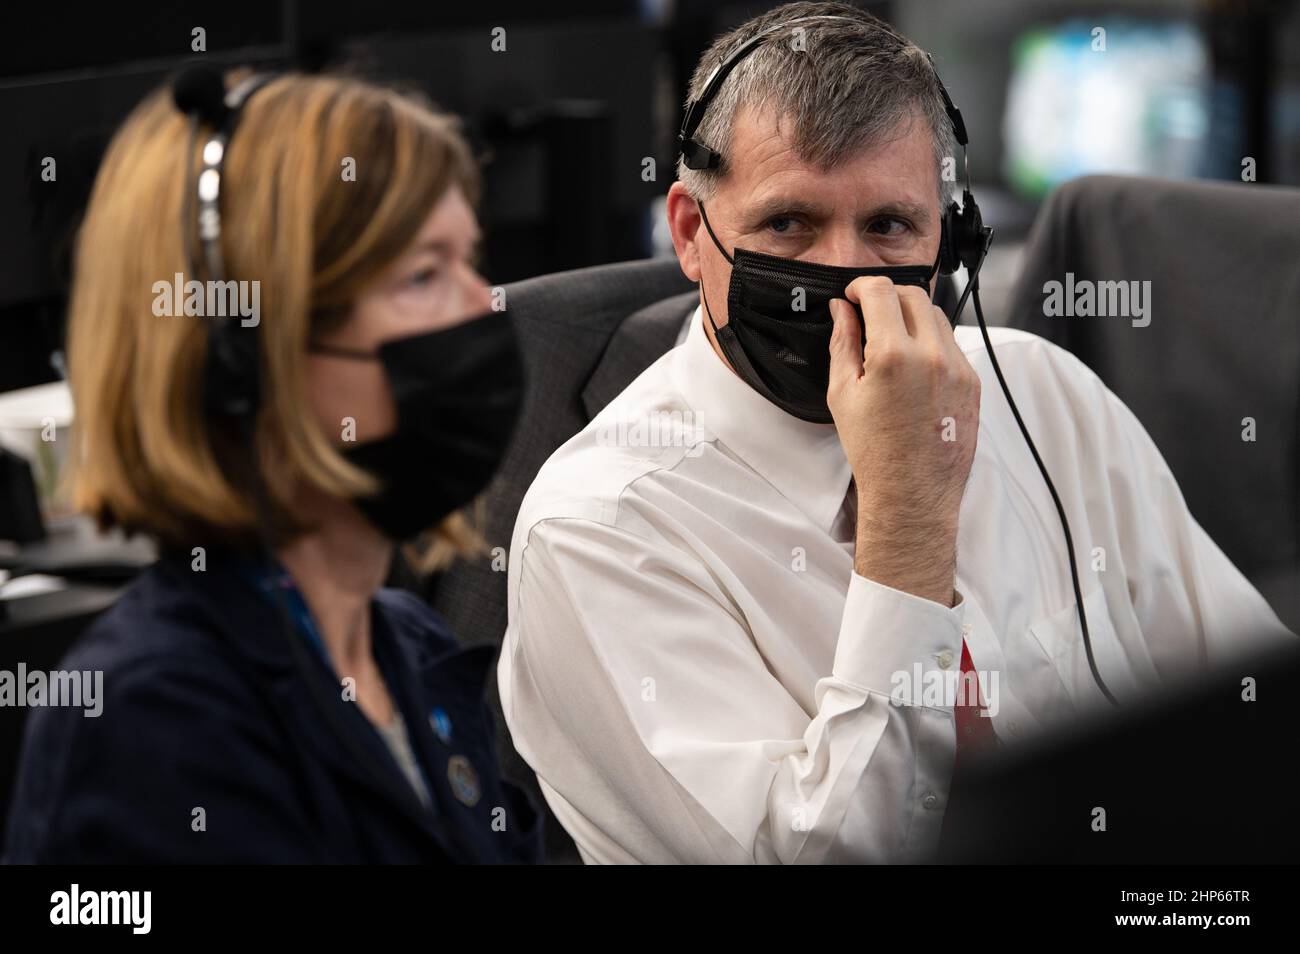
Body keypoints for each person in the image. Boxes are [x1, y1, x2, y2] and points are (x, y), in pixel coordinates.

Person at [498, 2, 1294, 864]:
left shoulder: (1038, 390)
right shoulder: (598, 529)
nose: (845, 274)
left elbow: (1250, 710)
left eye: (887, 226)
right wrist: (907, 515)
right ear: (692, 233)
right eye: (789, 223)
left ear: (948, 237)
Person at [4, 69, 541, 863]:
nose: (482, 305)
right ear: (246, 354)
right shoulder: (155, 720)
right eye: (425, 274)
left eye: (472, 259)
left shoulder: (412, 646)